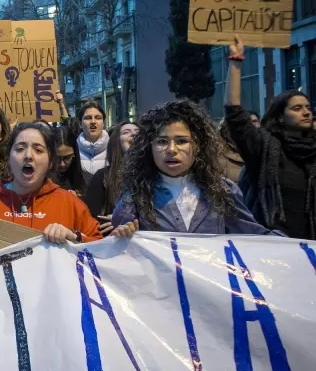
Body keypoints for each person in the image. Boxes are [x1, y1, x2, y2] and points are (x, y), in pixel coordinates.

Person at [112, 100, 277, 236]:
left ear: (198, 146)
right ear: (149, 147)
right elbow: (121, 254)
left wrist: (293, 247)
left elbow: (255, 237)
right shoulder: (134, 197)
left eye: (181, 141)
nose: (171, 150)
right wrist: (121, 237)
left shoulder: (223, 190)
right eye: (162, 141)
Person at [0, 122, 103, 264]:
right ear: (9, 158)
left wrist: (74, 237)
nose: (28, 155)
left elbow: (101, 250)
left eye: (38, 150)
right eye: (20, 149)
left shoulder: (70, 204)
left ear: (51, 161)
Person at [224, 36, 316, 239]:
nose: (306, 112)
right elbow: (234, 113)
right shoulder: (263, 148)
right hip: (273, 248)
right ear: (280, 117)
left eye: (308, 108)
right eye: (297, 108)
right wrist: (235, 62)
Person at [84, 122, 139, 235]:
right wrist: (111, 221)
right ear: (116, 142)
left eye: (138, 132)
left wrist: (127, 220)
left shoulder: (154, 176)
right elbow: (90, 217)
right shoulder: (103, 176)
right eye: (126, 132)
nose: (133, 134)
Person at [77, 100, 109, 183]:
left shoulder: (115, 149)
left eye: (98, 118)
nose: (93, 122)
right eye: (88, 118)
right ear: (80, 123)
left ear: (103, 123)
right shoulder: (73, 151)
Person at [51, 125, 87, 197]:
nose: (62, 164)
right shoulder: (41, 181)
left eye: (67, 158)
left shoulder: (87, 180)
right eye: (57, 158)